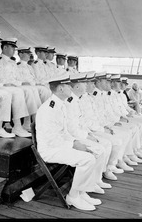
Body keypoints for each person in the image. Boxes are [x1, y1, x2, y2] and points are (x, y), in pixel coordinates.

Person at [36, 74, 104, 211]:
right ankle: (73, 196)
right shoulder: (48, 109)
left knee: (96, 151)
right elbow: (51, 139)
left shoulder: (59, 105)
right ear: (61, 89)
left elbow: (65, 132)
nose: (70, 88)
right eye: (67, 85)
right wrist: (74, 145)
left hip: (60, 145)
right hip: (50, 150)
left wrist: (76, 142)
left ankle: (81, 192)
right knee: (87, 159)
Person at [64, 73, 113, 192]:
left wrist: (89, 134)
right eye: (84, 83)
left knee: (105, 145)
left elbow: (82, 122)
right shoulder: (69, 102)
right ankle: (89, 183)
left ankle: (96, 179)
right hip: (73, 138)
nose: (87, 85)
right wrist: (87, 136)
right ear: (76, 87)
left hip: (81, 133)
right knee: (99, 149)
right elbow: (72, 129)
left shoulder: (76, 100)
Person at [0, 38, 42, 136]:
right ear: (5, 48)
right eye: (12, 48)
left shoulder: (12, 62)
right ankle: (18, 126)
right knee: (24, 91)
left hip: (14, 85)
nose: (14, 50)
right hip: (5, 87)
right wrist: (16, 83)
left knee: (31, 90)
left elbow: (17, 78)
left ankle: (30, 122)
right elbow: (0, 78)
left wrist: (20, 83)